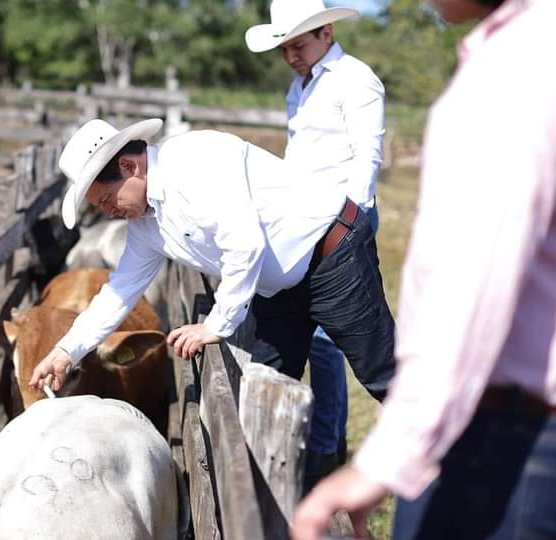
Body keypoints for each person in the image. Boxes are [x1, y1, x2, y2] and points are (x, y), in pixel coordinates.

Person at [291, 0, 556, 538]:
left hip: (508, 430)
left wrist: (391, 455)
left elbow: (472, 282)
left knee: (358, 349)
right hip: (509, 421)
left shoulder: (509, 72)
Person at [28, 118, 395, 434]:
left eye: (107, 199)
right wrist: (67, 350)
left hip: (331, 255)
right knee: (262, 396)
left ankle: (443, 475)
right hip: (278, 288)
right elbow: (120, 290)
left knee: (383, 375)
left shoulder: (195, 161)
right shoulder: (145, 224)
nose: (109, 212)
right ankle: (280, 497)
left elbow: (245, 244)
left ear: (129, 167)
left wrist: (216, 325)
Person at [246, 0, 387, 489]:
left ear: (327, 32)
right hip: (302, 224)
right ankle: (318, 449)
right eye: (285, 48)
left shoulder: (355, 78)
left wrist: (349, 223)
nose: (291, 55)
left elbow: (367, 154)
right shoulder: (299, 86)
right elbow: (297, 159)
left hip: (342, 224)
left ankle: (326, 451)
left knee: (332, 345)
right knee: (310, 338)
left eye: (299, 45)